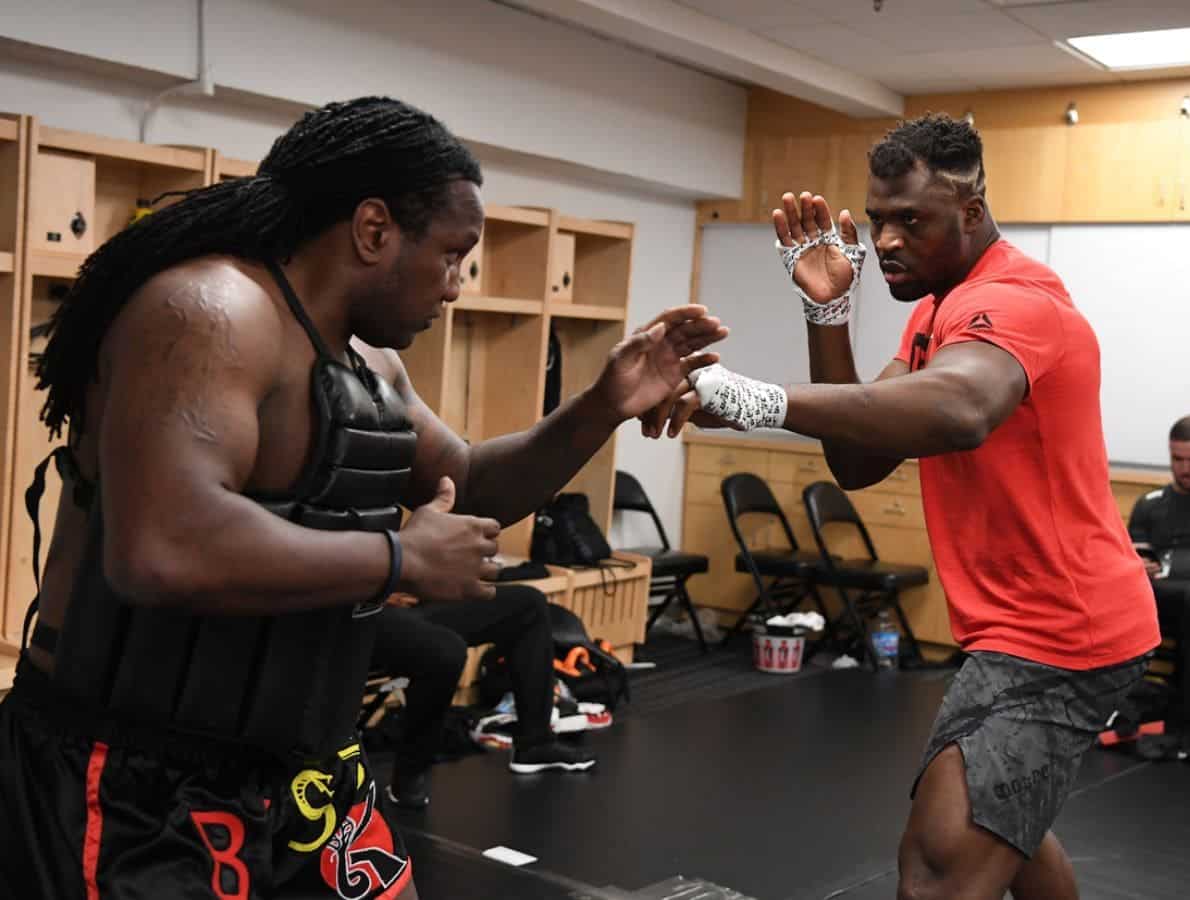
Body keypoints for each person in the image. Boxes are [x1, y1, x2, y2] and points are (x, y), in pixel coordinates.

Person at [0, 96, 726, 900]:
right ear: (374, 230)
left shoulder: (368, 371)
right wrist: (398, 556)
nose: (455, 286)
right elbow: (161, 547)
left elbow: (472, 484)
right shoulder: (210, 310)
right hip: (137, 778)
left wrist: (600, 405)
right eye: (453, 255)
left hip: (303, 771)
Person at [646, 114, 1160, 900]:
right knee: (1003, 821)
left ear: (971, 210)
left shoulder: (1016, 301)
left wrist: (757, 399)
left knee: (935, 872)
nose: (885, 240)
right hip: (1019, 624)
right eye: (878, 219)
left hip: (1061, 631)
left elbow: (961, 410)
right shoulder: (935, 314)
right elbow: (860, 458)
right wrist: (827, 313)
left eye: (910, 220)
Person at [370, 582, 594, 811]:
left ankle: (535, 743)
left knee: (529, 604)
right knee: (446, 650)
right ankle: (408, 777)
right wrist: (375, 591)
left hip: (413, 598)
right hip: (358, 612)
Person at [1128, 415, 1190, 762]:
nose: (1185, 468)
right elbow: (1131, 555)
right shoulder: (1151, 504)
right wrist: (1135, 564)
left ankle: (1188, 723)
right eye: (1178, 459)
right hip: (1155, 600)